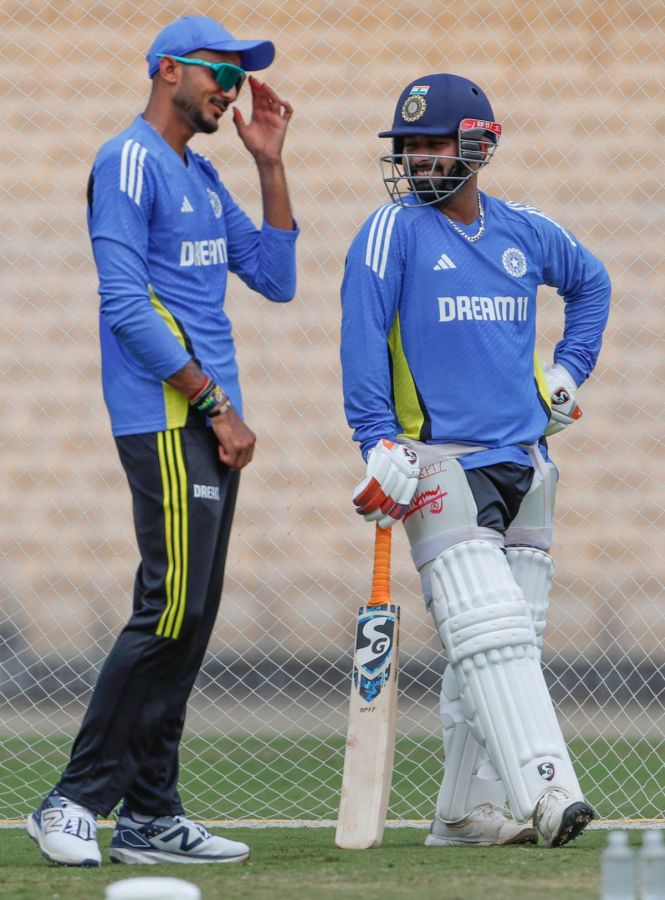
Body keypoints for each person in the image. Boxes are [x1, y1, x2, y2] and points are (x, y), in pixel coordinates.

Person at [26, 15, 298, 867]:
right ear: (167, 69)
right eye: (218, 71)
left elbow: (277, 278)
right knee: (168, 608)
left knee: (191, 618)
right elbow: (123, 304)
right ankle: (71, 800)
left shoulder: (204, 169)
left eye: (238, 74)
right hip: (172, 415)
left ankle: (149, 813)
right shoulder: (128, 160)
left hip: (213, 420)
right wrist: (214, 403)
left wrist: (269, 164)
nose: (229, 86)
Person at [340, 73, 610, 848]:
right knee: (491, 633)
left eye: (434, 143)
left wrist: (567, 371)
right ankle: (549, 790)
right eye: (409, 146)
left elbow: (591, 284)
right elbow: (359, 341)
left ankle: (461, 814)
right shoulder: (390, 231)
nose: (419, 159)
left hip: (525, 461)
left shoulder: (522, 230)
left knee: (496, 643)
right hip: (437, 461)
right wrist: (375, 440)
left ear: (480, 143)